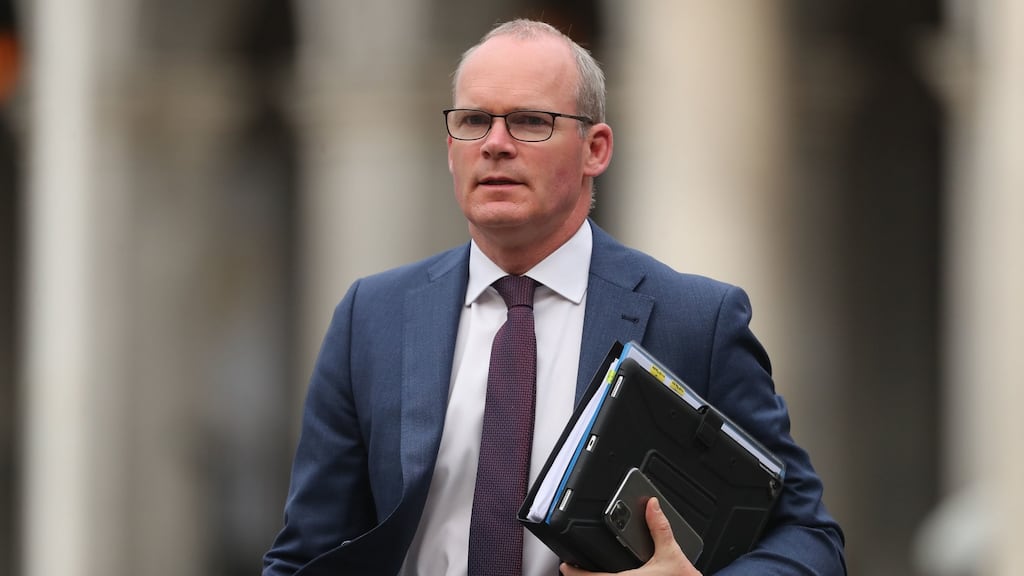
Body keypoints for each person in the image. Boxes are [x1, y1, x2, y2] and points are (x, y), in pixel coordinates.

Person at [263, 18, 846, 576]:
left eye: (528, 121)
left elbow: (808, 540)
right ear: (449, 146)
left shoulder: (696, 320)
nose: (494, 144)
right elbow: (307, 552)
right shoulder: (375, 316)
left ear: (595, 148)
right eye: (473, 121)